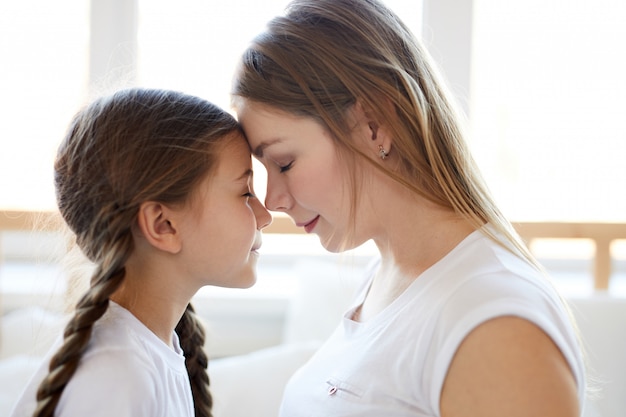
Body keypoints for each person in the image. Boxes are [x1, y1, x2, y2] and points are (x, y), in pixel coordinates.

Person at [231, 0, 586, 416]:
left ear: (375, 125)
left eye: (285, 162)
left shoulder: (495, 324)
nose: (271, 200)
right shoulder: (385, 278)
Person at [10, 88, 272, 417]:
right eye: (245, 192)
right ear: (163, 225)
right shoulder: (115, 378)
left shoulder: (149, 352)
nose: (266, 215)